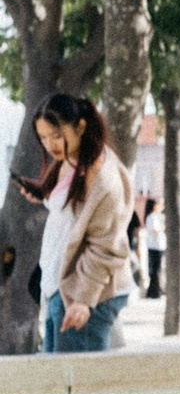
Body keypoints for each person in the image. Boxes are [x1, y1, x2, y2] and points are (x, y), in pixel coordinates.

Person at [16, 91, 134, 353]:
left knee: (75, 378)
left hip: (81, 292)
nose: (50, 144)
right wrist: (43, 193)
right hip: (60, 287)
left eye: (57, 135)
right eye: (43, 137)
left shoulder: (102, 175)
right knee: (58, 375)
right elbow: (73, 214)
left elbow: (107, 244)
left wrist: (83, 299)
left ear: (80, 127)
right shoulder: (70, 161)